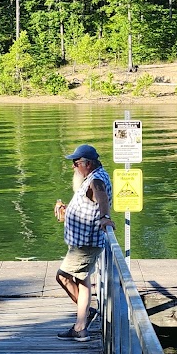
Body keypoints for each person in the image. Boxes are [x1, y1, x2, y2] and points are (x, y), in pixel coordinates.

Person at [54, 144, 113, 339]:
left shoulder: (96, 180)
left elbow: (101, 195)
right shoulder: (92, 177)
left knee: (62, 276)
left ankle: (83, 321)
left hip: (85, 243)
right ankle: (82, 320)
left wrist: (105, 217)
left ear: (87, 164)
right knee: (82, 278)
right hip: (83, 242)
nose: (74, 167)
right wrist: (67, 210)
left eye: (76, 163)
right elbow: (89, 202)